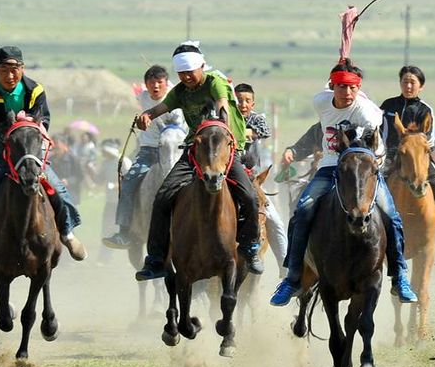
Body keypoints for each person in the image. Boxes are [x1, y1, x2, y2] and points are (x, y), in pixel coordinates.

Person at [270, 59, 417, 307]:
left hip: (364, 169)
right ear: (332, 87)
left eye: (352, 88)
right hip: (329, 167)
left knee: (391, 216)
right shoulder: (321, 102)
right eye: (340, 87)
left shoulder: (367, 114)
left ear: (358, 89)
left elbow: (369, 149)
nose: (346, 93)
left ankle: (399, 276)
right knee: (302, 211)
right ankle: (292, 278)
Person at [135, 42, 264, 279]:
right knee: (163, 196)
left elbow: (222, 101)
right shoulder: (181, 92)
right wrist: (146, 116)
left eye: (189, 72)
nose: (185, 77)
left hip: (224, 150)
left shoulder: (214, 82)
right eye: (181, 73)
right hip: (196, 150)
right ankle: (155, 258)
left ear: (201, 67)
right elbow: (161, 108)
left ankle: (250, 247)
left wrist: (221, 116)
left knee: (249, 195)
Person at [0, 46, 85, 274]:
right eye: (4, 69)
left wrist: (33, 127)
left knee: (59, 190)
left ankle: (67, 233)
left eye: (15, 69)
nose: (10, 75)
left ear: (22, 69)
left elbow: (44, 119)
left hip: (28, 156)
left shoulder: (34, 90)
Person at [380, 65, 435, 261]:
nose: (408, 86)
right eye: (405, 82)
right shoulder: (387, 106)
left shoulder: (425, 110)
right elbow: (381, 134)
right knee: (369, 189)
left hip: (419, 157)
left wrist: (416, 150)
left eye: (413, 82)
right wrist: (388, 154)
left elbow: (430, 139)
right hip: (390, 157)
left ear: (421, 86)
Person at [103, 65, 176, 248]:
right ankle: (124, 232)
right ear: (146, 85)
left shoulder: (175, 100)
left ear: (167, 83)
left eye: (160, 82)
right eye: (151, 83)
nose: (156, 86)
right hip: (147, 152)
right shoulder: (143, 97)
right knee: (128, 183)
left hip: (172, 152)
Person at [234, 82, 288, 275]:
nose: (243, 104)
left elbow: (262, 132)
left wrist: (237, 131)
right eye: (238, 100)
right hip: (227, 177)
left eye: (247, 100)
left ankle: (285, 269)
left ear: (253, 103)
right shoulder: (224, 119)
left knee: (274, 220)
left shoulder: (257, 119)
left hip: (251, 179)